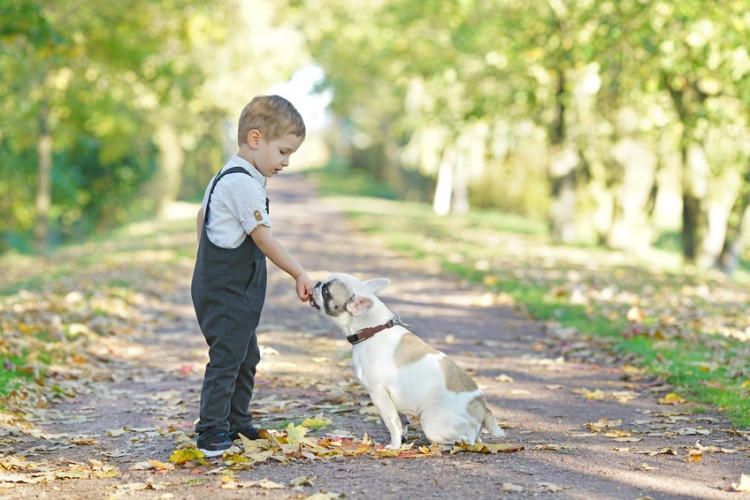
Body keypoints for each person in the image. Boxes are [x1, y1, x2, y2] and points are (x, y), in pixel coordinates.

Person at [191, 95, 313, 457]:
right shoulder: (242, 183)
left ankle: (236, 420)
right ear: (256, 139)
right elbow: (264, 239)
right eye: (283, 152)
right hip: (226, 290)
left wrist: (209, 256)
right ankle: (211, 432)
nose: (286, 162)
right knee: (228, 357)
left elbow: (201, 218)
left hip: (226, 286)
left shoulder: (228, 176)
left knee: (246, 355)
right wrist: (298, 272)